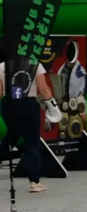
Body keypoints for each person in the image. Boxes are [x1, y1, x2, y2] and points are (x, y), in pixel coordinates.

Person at [2, 62, 52, 193]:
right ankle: (35, 182)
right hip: (27, 103)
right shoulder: (35, 64)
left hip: (8, 104)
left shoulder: (3, 64)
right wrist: (53, 106)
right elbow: (43, 88)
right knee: (32, 142)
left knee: (12, 136)